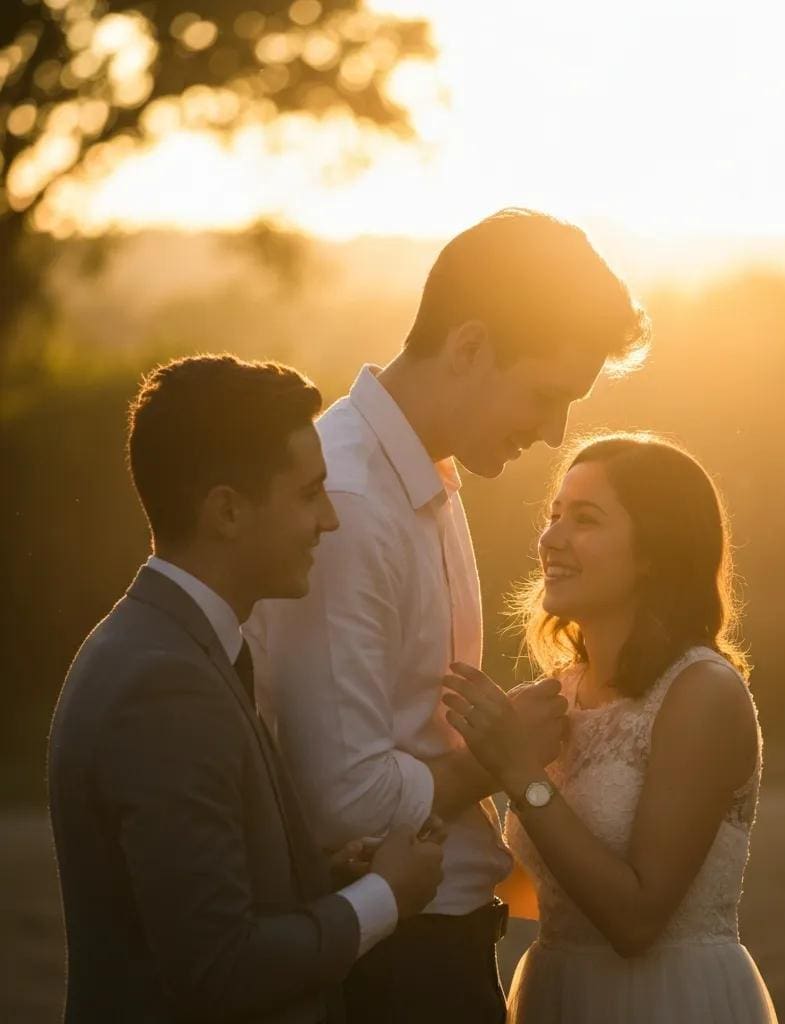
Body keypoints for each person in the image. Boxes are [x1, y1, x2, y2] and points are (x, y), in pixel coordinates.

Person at [246, 209, 650, 1023]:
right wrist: (499, 757)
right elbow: (341, 799)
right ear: (468, 347)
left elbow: (403, 725)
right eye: (545, 394)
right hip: (394, 962)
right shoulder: (353, 502)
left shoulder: (424, 476)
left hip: (438, 945)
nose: (553, 433)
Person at [48, 354, 444, 1024]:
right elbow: (219, 968)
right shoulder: (163, 687)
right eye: (307, 493)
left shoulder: (172, 646)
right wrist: (386, 895)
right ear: (227, 511)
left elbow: (190, 897)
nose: (330, 520)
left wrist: (315, 873)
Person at [443, 433, 779, 1024]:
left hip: (665, 1001)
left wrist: (517, 770)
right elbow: (546, 889)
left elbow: (636, 920)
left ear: (655, 550)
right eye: (553, 516)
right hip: (559, 994)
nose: (550, 539)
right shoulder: (559, 696)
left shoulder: (701, 692)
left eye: (586, 519)